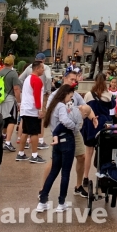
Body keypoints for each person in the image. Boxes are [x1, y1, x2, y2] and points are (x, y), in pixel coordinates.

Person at [36, 84, 82, 213]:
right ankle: (61, 202)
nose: (70, 99)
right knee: (65, 173)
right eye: (70, 96)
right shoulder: (61, 106)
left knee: (54, 172)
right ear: (65, 94)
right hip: (67, 139)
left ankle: (42, 200)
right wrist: (75, 127)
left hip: (56, 142)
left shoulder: (53, 105)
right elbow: (65, 121)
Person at [82, 74, 112, 186]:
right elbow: (112, 106)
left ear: (94, 81)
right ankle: (100, 175)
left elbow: (85, 109)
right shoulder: (108, 95)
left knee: (88, 152)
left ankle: (85, 176)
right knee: (102, 152)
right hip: (104, 124)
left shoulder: (89, 95)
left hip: (91, 124)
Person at [15, 61, 47, 164]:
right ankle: (34, 155)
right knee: (34, 132)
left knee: (25, 131)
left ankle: (21, 153)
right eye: (42, 68)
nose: (43, 69)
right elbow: (37, 95)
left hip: (26, 108)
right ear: (37, 69)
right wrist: (39, 109)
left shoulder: (28, 78)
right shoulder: (37, 80)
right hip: (32, 109)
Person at [0, 56, 23, 153]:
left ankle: (2, 138)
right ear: (12, 63)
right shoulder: (13, 73)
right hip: (10, 99)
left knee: (3, 119)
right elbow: (16, 89)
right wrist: (19, 102)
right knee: (11, 120)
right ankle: (8, 142)